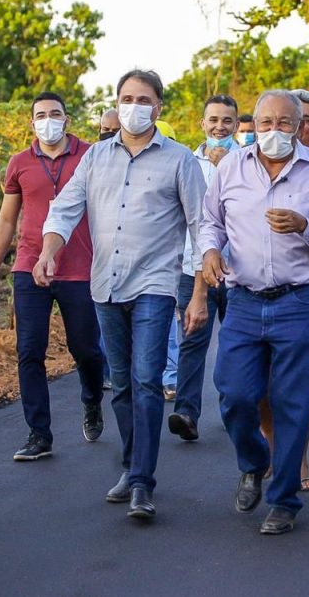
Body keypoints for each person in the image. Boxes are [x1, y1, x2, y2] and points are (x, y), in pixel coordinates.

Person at [38, 69, 209, 520]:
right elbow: (65, 208)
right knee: (121, 385)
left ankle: (141, 483)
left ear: (158, 108)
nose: (134, 106)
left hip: (154, 284)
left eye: (143, 98)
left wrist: (200, 291)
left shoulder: (180, 161)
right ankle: (132, 464)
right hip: (105, 286)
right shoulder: (95, 158)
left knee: (148, 379)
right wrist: (48, 252)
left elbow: (202, 223)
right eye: (126, 97)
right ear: (116, 104)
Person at [200, 89, 309, 535]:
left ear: (300, 125)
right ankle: (253, 462)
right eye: (265, 123)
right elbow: (210, 221)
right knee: (233, 393)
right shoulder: (231, 167)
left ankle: (283, 499)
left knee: (292, 401)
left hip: (299, 301)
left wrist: (307, 227)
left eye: (284, 123)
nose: (273, 132)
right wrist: (210, 251)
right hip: (244, 299)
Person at [0, 92, 106, 461]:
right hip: (28, 265)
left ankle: (92, 399)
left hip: (80, 267)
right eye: (40, 115)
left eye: (55, 114)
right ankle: (39, 434)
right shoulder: (20, 163)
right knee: (29, 350)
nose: (48, 120)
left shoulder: (90, 155)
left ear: (67, 120)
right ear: (31, 122)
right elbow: (6, 220)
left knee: (85, 348)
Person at [167, 95, 237, 442]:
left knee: (235, 342)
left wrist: (226, 166)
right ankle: (186, 412)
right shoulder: (185, 161)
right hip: (192, 266)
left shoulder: (248, 161)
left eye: (227, 121)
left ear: (237, 125)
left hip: (238, 269)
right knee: (192, 337)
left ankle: (234, 407)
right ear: (202, 123)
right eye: (213, 120)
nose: (219, 127)